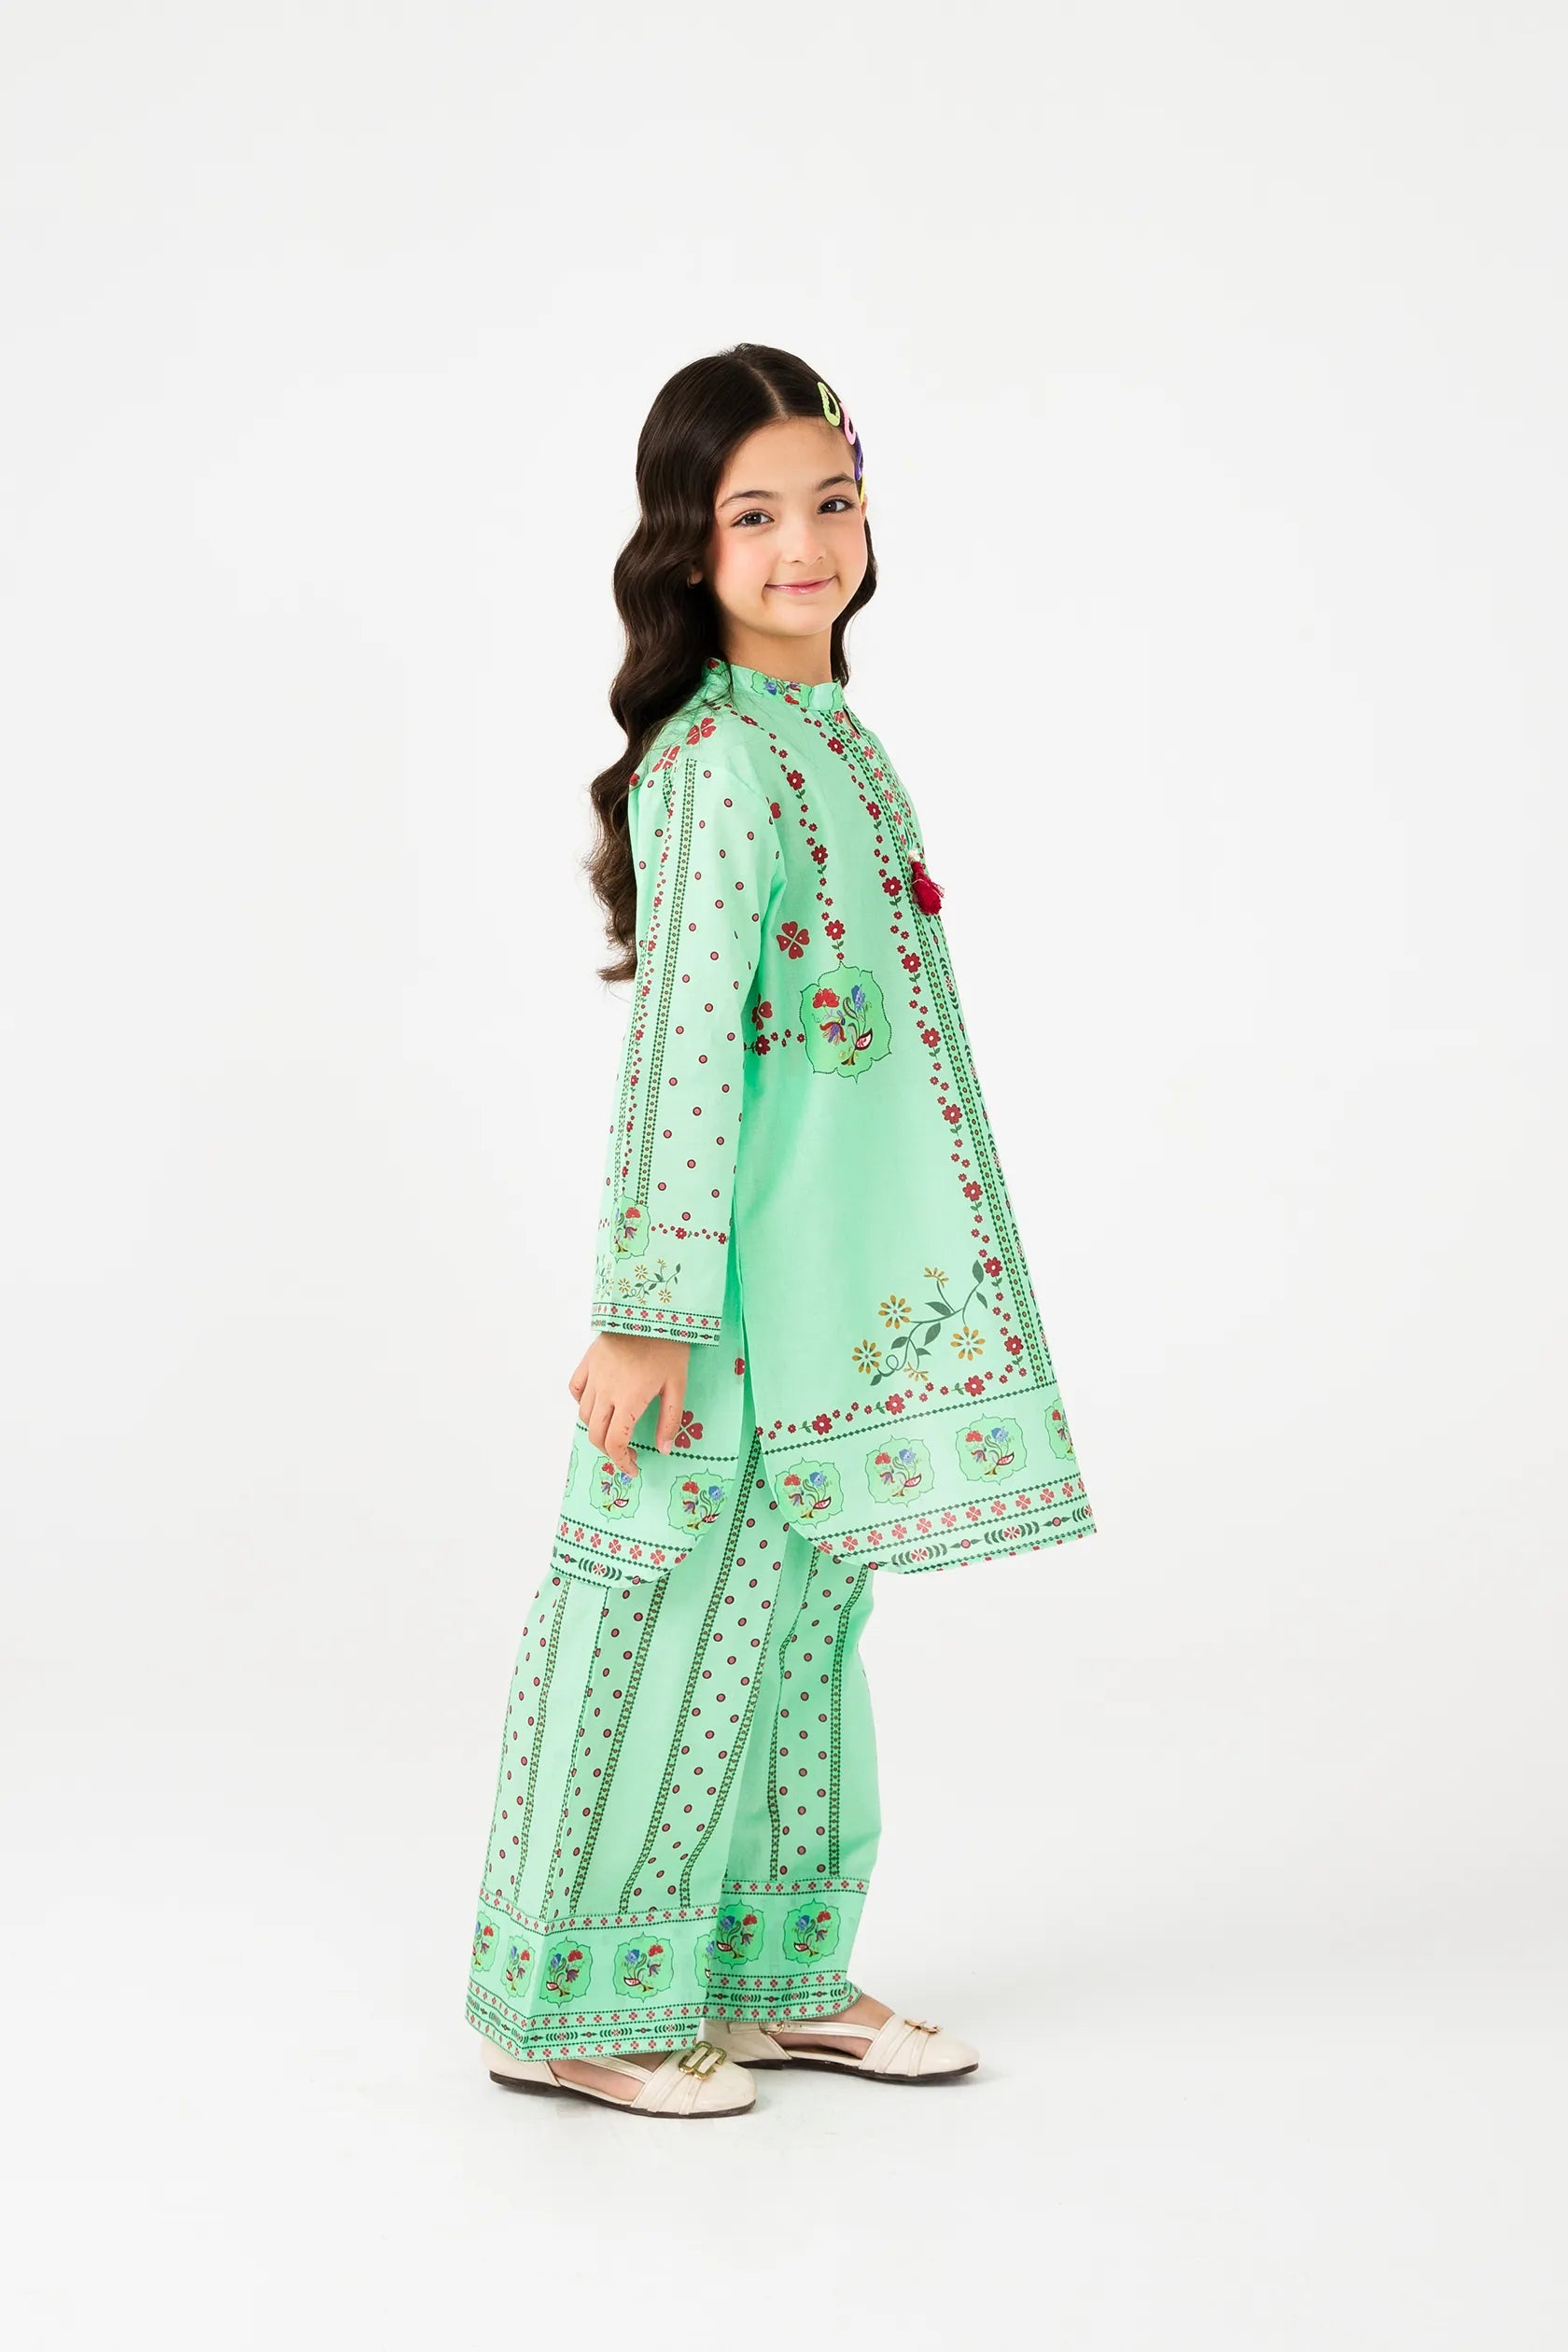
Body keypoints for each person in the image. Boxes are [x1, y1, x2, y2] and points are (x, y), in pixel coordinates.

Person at [465, 343, 1098, 2119]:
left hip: (834, 1290)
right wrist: (648, 1311)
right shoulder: (714, 762)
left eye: (833, 501)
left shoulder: (838, 744)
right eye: (755, 515)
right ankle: (574, 2005)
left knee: (803, 1620)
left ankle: (767, 1974)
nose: (805, 543)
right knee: (663, 1623)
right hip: (724, 1305)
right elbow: (682, 1051)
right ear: (688, 544)